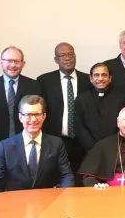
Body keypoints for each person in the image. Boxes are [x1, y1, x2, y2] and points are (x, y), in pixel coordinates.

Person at [0, 95, 74, 218]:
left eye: (37, 114)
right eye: (27, 115)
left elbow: (66, 174)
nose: (32, 119)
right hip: (14, 209)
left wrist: (65, 198)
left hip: (49, 207)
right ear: (20, 117)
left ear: (44, 116)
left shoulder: (56, 144)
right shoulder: (6, 146)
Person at [37, 42, 92, 175]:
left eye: (71, 54)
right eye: (63, 55)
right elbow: (41, 110)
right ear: (56, 59)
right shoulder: (44, 81)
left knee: (81, 180)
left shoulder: (88, 80)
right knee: (57, 179)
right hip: (55, 139)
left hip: (82, 141)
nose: (68, 58)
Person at [0, 46, 40, 151]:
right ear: (1, 62)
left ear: (23, 64)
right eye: (8, 61)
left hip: (27, 145)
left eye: (17, 61)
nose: (13, 65)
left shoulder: (34, 86)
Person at [74, 63, 125, 152]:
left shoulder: (122, 98)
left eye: (104, 75)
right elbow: (79, 126)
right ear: (91, 79)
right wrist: (93, 147)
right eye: (96, 75)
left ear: (110, 78)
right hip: (90, 150)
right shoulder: (81, 99)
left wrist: (114, 144)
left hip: (116, 149)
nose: (100, 78)